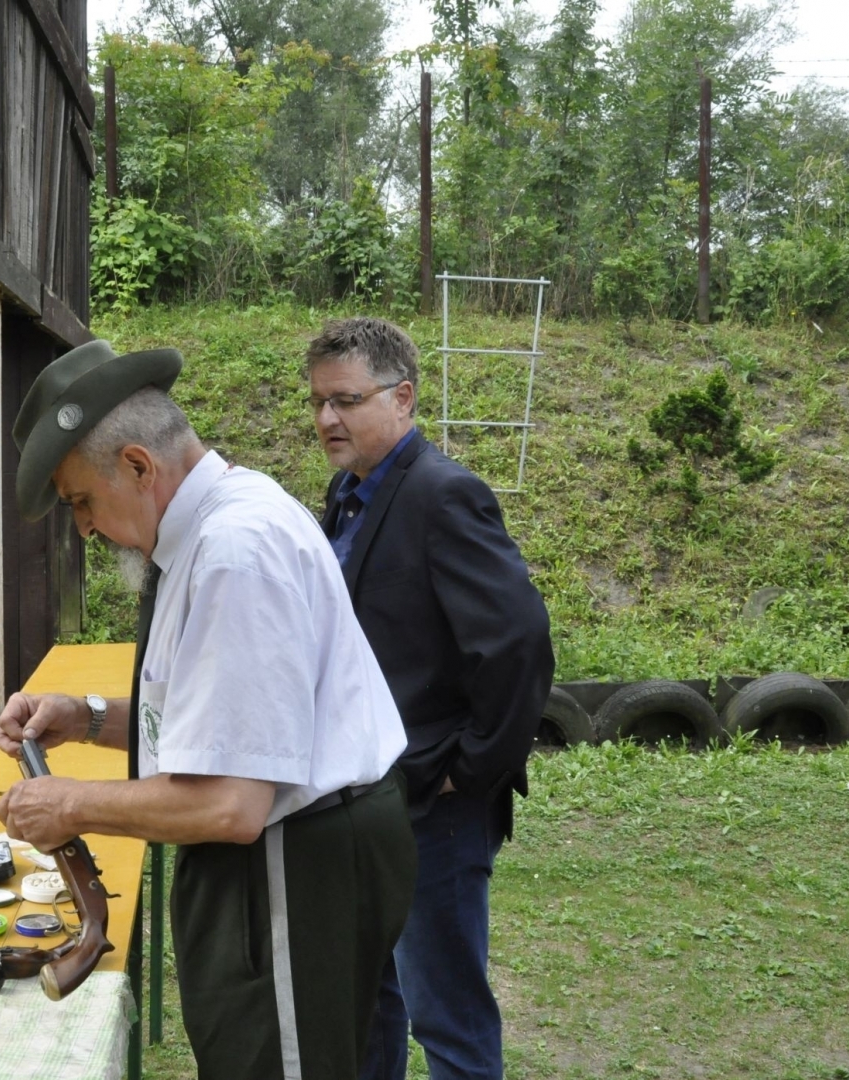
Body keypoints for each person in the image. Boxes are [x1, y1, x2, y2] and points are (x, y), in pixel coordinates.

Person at [0, 338, 417, 1080]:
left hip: (292, 861)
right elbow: (225, 724)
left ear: (136, 465)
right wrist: (87, 716)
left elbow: (229, 802)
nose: (84, 529)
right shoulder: (216, 527)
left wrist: (69, 804)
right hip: (295, 853)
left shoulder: (233, 552)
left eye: (81, 502)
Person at [305, 318, 555, 1080]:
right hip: (371, 798)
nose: (326, 420)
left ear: (403, 398)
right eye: (317, 401)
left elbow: (519, 644)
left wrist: (467, 771)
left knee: (445, 1016)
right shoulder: (349, 492)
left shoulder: (445, 496)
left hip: (435, 809)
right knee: (371, 998)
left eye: (345, 400)